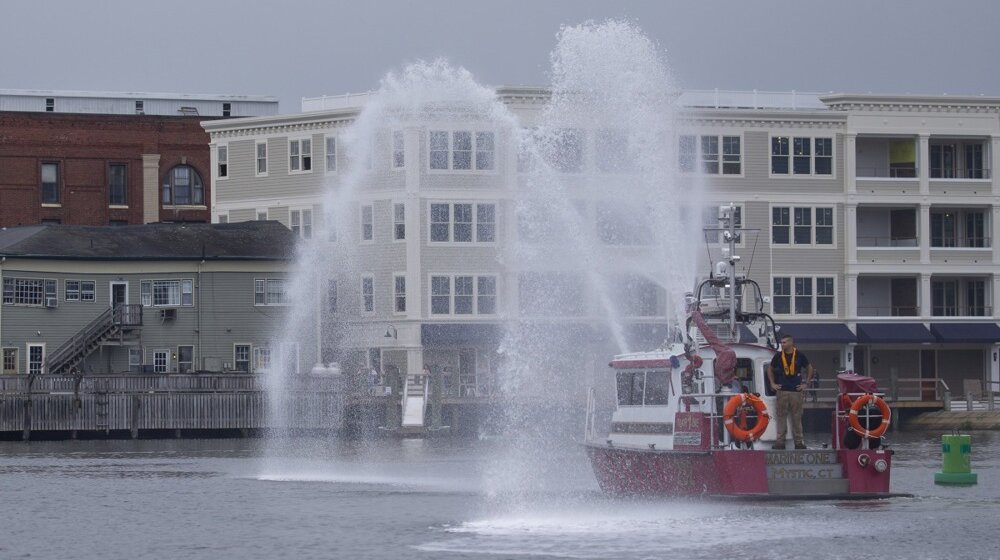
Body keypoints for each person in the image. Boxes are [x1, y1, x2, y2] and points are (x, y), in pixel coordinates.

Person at [767, 334, 814, 450]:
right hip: (782, 391)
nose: (782, 345)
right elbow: (770, 369)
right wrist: (772, 383)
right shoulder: (778, 356)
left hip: (796, 391)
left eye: (784, 343)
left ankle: (798, 443)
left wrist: (806, 384)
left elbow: (809, 368)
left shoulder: (799, 355)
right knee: (781, 417)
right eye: (781, 342)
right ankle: (780, 442)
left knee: (797, 417)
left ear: (791, 343)